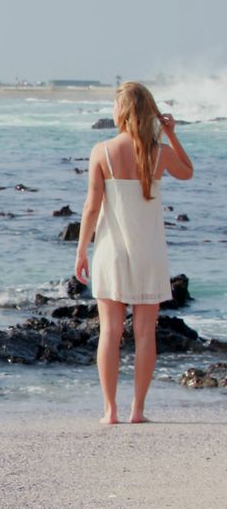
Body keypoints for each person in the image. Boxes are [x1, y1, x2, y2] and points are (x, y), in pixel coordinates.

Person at [74, 81, 193, 425]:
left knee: (109, 331)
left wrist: (82, 249)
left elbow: (91, 207)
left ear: (123, 112)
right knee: (145, 333)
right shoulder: (160, 152)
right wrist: (171, 134)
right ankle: (137, 410)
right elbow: (188, 172)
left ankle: (110, 410)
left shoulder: (103, 151)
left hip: (111, 252)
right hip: (150, 254)